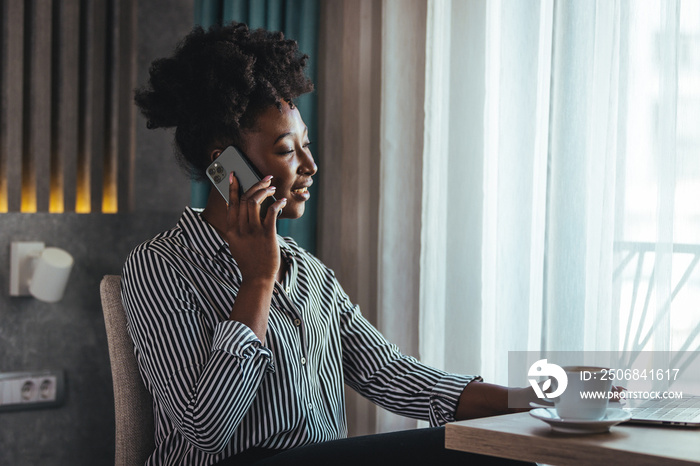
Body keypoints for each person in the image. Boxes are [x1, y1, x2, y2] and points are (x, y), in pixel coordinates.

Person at [122, 22, 535, 465]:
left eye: (306, 146)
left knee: (503, 447)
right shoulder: (159, 265)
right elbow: (207, 428)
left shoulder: (311, 275)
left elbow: (394, 374)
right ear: (225, 163)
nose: (310, 166)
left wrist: (531, 399)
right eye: (286, 150)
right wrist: (258, 281)